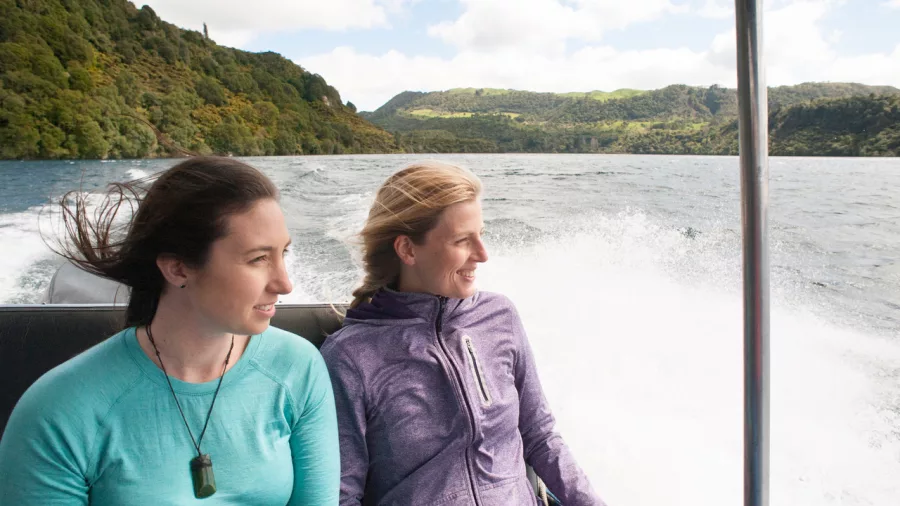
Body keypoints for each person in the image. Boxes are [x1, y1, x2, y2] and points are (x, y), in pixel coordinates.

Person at [0, 157, 339, 505]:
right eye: (258, 259)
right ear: (177, 269)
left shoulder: (298, 368)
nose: (285, 284)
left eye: (283, 253)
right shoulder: (59, 410)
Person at [320, 161, 604, 506]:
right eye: (462, 241)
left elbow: (540, 436)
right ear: (408, 249)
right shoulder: (350, 357)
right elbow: (341, 495)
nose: (482, 255)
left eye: (481, 235)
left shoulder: (499, 317)